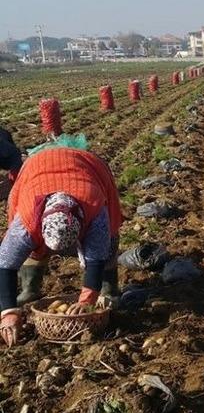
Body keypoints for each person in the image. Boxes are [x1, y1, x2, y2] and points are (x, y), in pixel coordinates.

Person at [0, 146, 123, 346]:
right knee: (31, 246)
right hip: (37, 168)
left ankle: (109, 290)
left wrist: (86, 301)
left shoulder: (95, 212)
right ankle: (31, 288)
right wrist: (8, 312)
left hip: (87, 166)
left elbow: (96, 260)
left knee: (107, 244)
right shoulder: (26, 221)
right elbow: (5, 264)